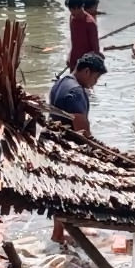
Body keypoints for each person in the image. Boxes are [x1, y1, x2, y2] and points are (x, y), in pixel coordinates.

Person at [48, 53, 107, 241]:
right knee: (70, 192)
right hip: (70, 149)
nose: (95, 83)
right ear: (87, 71)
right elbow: (81, 131)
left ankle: (62, 232)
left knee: (61, 193)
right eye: (96, 77)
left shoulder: (62, 82)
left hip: (55, 144)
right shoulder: (76, 92)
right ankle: (62, 234)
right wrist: (95, 153)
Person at [65, 0, 99, 72]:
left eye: (71, 10)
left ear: (77, 7)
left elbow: (95, 50)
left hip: (85, 67)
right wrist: (70, 56)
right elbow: (74, 42)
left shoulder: (90, 23)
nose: (71, 13)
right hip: (74, 62)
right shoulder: (72, 18)